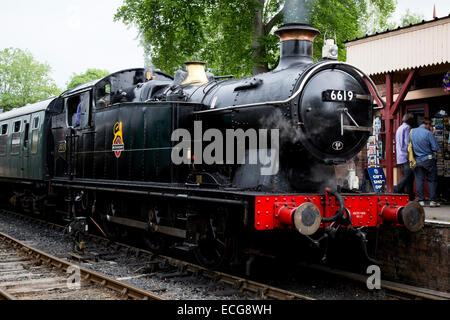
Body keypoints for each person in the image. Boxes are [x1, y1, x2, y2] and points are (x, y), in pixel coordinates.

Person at [411, 118, 440, 207]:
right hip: (429, 159)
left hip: (417, 160)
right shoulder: (428, 133)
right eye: (430, 125)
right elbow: (435, 148)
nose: (430, 127)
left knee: (419, 180)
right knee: (431, 180)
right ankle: (432, 201)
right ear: (427, 124)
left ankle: (421, 200)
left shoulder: (412, 132)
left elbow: (408, 146)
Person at [394, 114, 416, 201]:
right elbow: (407, 142)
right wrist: (410, 154)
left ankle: (409, 196)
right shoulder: (407, 128)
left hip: (400, 156)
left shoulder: (399, 128)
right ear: (409, 121)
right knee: (409, 176)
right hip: (406, 155)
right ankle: (397, 188)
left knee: (409, 176)